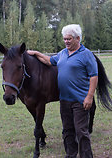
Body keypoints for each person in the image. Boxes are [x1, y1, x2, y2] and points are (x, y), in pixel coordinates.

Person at [27, 24, 98, 158]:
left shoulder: (86, 54)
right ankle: (70, 154)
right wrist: (36, 53)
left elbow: (94, 76)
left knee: (81, 131)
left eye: (69, 39)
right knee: (67, 131)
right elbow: (49, 61)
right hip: (64, 99)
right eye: (64, 39)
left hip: (80, 100)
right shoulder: (63, 53)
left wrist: (89, 96)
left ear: (78, 38)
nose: (66, 41)